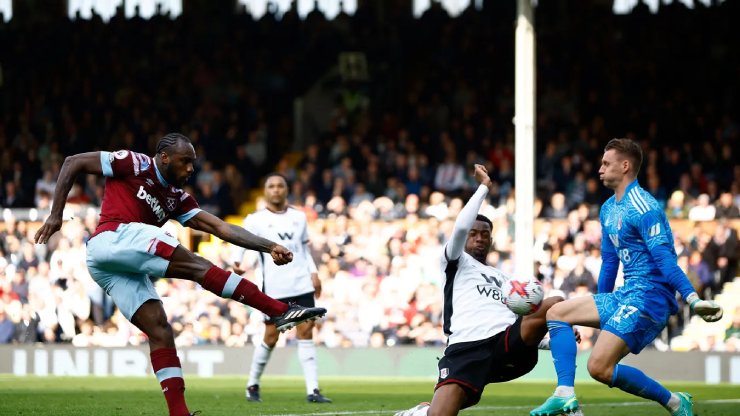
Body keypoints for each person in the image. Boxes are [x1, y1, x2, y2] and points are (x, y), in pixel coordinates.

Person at [33, 133, 327, 416]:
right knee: (197, 266)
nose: (190, 169)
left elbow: (222, 228)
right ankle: (278, 310)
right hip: (110, 239)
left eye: (192, 163)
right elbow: (73, 162)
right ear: (163, 158)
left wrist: (269, 245)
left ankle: (179, 413)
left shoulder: (177, 199)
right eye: (184, 162)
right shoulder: (135, 163)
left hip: (114, 266)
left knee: (160, 330)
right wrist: (55, 214)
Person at [530, 138, 723, 416]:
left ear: (625, 166)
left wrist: (692, 299)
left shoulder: (645, 208)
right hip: (625, 294)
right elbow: (609, 263)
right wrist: (600, 305)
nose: (600, 169)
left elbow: (665, 261)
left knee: (597, 366)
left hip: (650, 298)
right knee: (558, 313)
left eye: (606, 163)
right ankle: (565, 394)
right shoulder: (608, 208)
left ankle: (675, 402)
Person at [394, 164, 579, 416]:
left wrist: (552, 332)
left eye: (485, 234)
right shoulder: (454, 261)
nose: (480, 238)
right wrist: (483, 187)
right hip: (466, 349)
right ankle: (418, 413)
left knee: (555, 302)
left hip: (503, 346)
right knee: (439, 415)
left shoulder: (506, 280)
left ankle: (565, 396)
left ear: (491, 240)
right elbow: (458, 228)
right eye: (474, 234)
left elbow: (517, 323)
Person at [238, 173, 332, 403]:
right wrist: (238, 263)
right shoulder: (254, 220)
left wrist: (314, 273)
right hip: (274, 285)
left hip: (301, 282)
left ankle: (313, 390)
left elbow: (303, 249)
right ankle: (252, 384)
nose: (276, 190)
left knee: (306, 330)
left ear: (287, 189)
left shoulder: (299, 217)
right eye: (271, 186)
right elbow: (240, 244)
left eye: (280, 186)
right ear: (265, 191)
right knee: (271, 336)